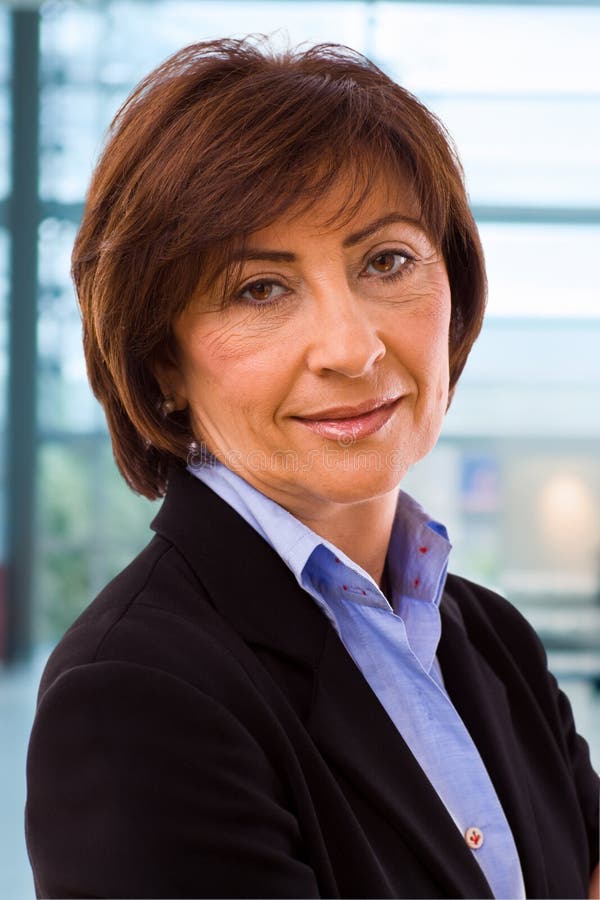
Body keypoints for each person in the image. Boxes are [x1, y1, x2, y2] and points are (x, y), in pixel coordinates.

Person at [26, 38, 598, 899]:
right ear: (164, 365)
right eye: (260, 288)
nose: (353, 348)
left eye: (387, 261)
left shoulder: (494, 639)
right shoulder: (132, 697)